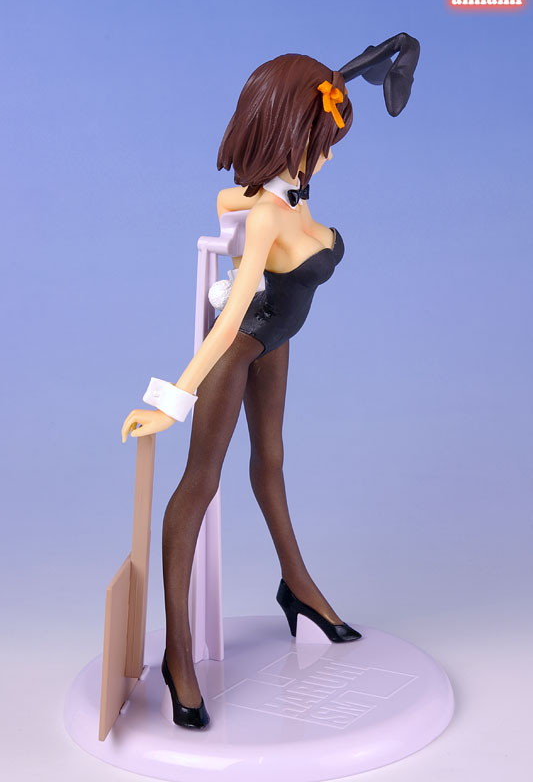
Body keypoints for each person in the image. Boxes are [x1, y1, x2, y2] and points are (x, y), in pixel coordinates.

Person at [121, 37, 420, 730]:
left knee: (272, 464)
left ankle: (298, 588)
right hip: (241, 347)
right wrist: (170, 403)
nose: (330, 156)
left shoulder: (282, 196)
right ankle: (177, 655)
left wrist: (237, 196)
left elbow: (228, 194)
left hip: (276, 343)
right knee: (199, 485)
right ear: (290, 135)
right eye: (323, 142)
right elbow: (227, 322)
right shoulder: (265, 217)